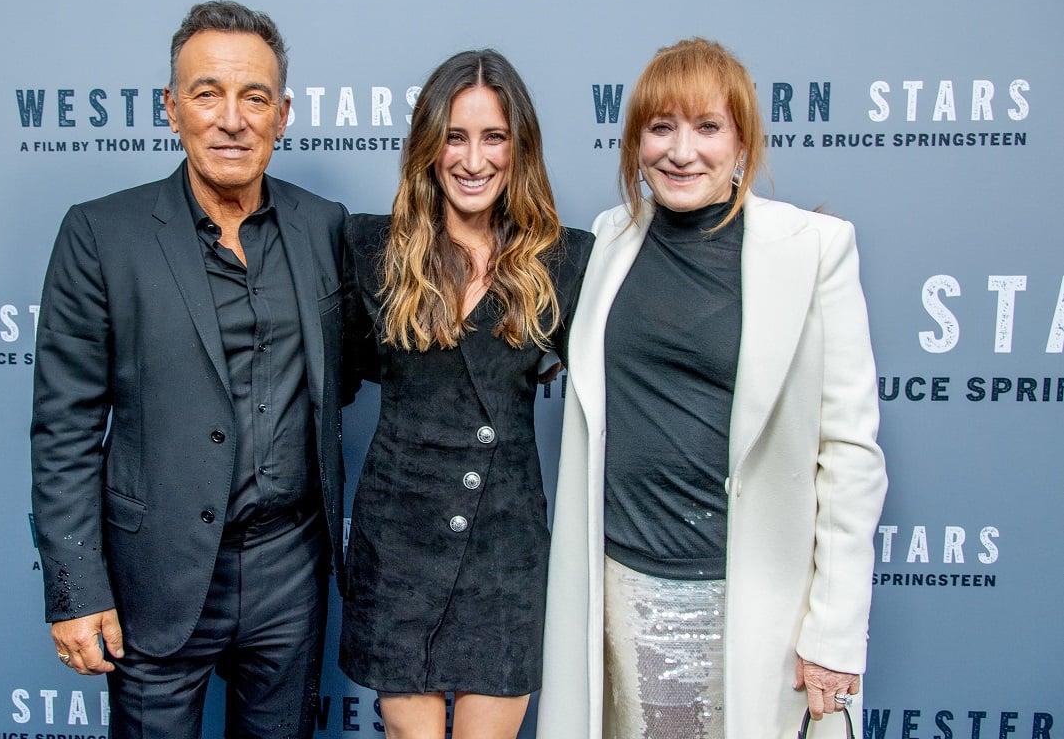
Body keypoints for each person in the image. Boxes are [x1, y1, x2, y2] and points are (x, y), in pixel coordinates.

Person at [537, 38, 888, 739]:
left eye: (706, 127)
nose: (681, 151)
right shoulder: (608, 241)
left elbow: (850, 453)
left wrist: (835, 634)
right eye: (659, 127)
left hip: (752, 599)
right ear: (635, 142)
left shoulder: (814, 250)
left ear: (741, 141)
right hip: (621, 587)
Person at [30, 0, 351, 739]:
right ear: (171, 109)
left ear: (283, 114)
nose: (232, 118)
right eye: (208, 93)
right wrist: (77, 590)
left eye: (255, 97)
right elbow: (64, 428)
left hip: (289, 569)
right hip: (156, 571)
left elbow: (358, 366)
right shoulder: (100, 234)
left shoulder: (323, 225)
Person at [338, 49, 593, 739]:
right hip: (400, 544)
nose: (472, 159)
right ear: (428, 145)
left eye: (493, 138)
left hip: (504, 550)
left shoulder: (566, 263)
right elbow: (322, 377)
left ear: (519, 149)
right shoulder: (370, 251)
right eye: (454, 136)